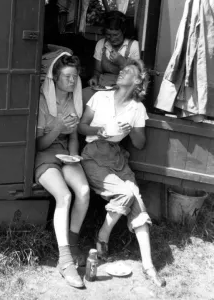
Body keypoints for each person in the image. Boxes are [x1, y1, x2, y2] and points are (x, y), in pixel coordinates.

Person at [78, 59, 166, 287]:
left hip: (116, 156)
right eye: (122, 69)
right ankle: (103, 236)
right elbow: (82, 126)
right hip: (93, 153)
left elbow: (139, 144)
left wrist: (129, 131)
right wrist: (103, 130)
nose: (121, 73)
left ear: (137, 81)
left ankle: (149, 266)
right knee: (125, 194)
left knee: (136, 199)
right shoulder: (101, 96)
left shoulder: (137, 108)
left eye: (127, 71)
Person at [35, 53, 90, 289]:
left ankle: (74, 242)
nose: (72, 81)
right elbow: (38, 144)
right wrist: (57, 127)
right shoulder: (42, 101)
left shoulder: (74, 101)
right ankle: (65, 260)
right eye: (67, 76)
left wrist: (74, 156)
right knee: (64, 196)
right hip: (44, 155)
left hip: (65, 154)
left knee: (84, 191)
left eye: (75, 77)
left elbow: (75, 136)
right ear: (55, 77)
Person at [82, 10, 140, 107]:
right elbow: (97, 71)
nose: (112, 38)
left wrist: (122, 62)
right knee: (84, 94)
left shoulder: (133, 46)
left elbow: (137, 77)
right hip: (104, 85)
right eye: (108, 35)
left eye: (115, 35)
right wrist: (95, 78)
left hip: (124, 88)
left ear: (123, 31)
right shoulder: (101, 44)